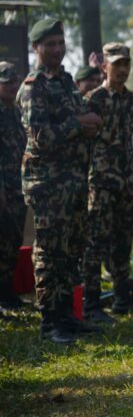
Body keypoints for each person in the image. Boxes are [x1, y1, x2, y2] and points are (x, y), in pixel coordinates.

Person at [17, 18, 104, 344]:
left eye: (60, 43)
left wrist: (87, 124)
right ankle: (50, 320)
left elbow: (83, 122)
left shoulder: (66, 82)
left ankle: (67, 315)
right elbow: (41, 138)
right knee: (50, 254)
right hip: (48, 185)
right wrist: (79, 123)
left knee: (71, 250)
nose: (57, 49)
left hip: (73, 181)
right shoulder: (33, 87)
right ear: (36, 48)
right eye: (50, 44)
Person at [81, 42, 133, 323]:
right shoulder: (92, 100)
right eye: (117, 64)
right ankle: (91, 303)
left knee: (123, 242)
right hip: (101, 181)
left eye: (126, 64)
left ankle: (121, 297)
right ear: (104, 66)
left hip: (126, 180)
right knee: (96, 243)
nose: (122, 70)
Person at [0, 61, 26, 314]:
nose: (11, 86)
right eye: (6, 82)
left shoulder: (17, 111)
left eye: (13, 81)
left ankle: (7, 291)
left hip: (18, 186)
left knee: (13, 239)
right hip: (3, 188)